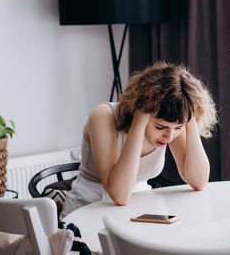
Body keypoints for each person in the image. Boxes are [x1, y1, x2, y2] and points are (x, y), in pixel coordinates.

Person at [60, 62, 218, 219]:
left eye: (178, 128)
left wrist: (190, 118)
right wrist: (138, 124)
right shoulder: (103, 116)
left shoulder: (172, 123)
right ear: (143, 111)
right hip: (88, 209)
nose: (169, 137)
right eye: (160, 127)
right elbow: (119, 196)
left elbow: (199, 182)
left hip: (139, 207)